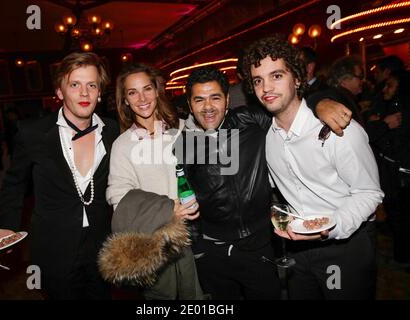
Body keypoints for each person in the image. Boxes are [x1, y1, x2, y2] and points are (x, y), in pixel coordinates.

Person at [174, 66, 352, 300]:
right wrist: (197, 250)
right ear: (190, 104)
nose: (208, 107)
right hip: (213, 251)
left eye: (215, 98)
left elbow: (290, 111)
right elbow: (186, 197)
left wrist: (320, 103)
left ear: (227, 100)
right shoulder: (185, 145)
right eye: (199, 100)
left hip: (259, 247)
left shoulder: (251, 120)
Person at [243, 36, 384, 299]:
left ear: (297, 79)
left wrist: (330, 226)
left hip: (344, 245)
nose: (266, 88)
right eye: (258, 80)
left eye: (276, 76)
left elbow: (369, 193)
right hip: (297, 248)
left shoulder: (336, 130)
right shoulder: (268, 138)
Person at [0, 52, 119, 299]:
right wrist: (7, 226)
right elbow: (14, 183)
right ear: (59, 92)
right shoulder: (32, 133)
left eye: (92, 85)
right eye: (74, 85)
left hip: (102, 247)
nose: (84, 93)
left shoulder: (114, 132)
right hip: (54, 248)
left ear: (100, 92)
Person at [101, 63, 203, 300]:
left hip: (195, 237)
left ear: (157, 90)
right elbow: (119, 199)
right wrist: (169, 210)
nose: (142, 98)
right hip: (155, 242)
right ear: (125, 100)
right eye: (132, 92)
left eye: (147, 89)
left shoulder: (181, 130)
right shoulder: (123, 145)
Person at [365, 71, 410, 265]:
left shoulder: (401, 113)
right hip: (392, 173)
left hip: (401, 175)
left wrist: (379, 125)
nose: (384, 89)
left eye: (389, 85)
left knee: (402, 218)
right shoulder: (387, 108)